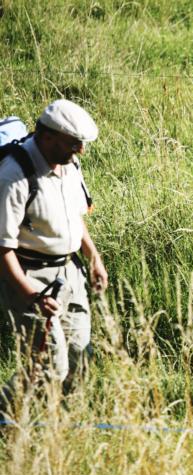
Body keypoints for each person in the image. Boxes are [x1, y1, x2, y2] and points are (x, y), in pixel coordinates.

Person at [0, 99, 108, 418]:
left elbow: (75, 217)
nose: (80, 151)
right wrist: (29, 293)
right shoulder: (13, 176)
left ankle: (61, 422)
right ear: (48, 137)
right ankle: (7, 418)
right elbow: (3, 248)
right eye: (74, 144)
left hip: (70, 273)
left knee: (79, 357)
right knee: (49, 367)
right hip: (30, 276)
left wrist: (94, 259)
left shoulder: (69, 164)